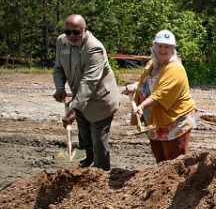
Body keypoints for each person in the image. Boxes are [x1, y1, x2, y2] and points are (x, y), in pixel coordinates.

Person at [53, 14, 119, 170]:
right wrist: (60, 87)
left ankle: (101, 175)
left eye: (76, 32)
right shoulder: (62, 42)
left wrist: (74, 110)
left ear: (85, 30)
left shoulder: (94, 48)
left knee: (98, 142)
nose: (72, 36)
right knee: (84, 138)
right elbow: (58, 68)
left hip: (100, 101)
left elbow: (89, 83)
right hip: (79, 99)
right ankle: (84, 166)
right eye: (68, 32)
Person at [123, 30, 196, 163]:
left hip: (174, 120)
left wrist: (142, 106)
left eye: (167, 46)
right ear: (154, 47)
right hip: (156, 119)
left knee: (175, 161)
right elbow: (149, 83)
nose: (163, 50)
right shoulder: (152, 64)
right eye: (160, 46)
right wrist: (135, 86)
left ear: (173, 49)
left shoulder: (175, 69)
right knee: (161, 160)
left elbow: (161, 94)